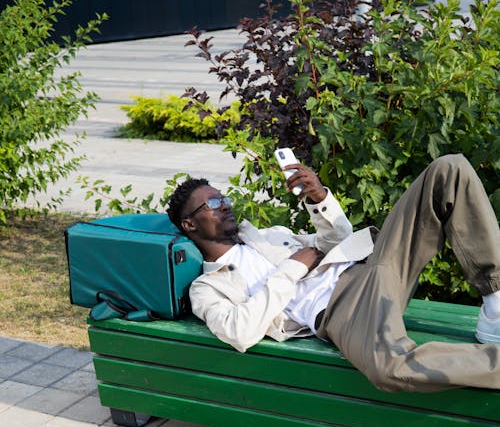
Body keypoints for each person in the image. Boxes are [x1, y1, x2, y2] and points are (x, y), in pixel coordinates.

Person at [167, 154, 500, 393]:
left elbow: (336, 242)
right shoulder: (207, 287)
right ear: (189, 224)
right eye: (211, 204)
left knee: (448, 169)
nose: (224, 205)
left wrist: (318, 197)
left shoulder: (268, 234)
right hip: (343, 313)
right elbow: (239, 332)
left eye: (223, 198)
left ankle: (495, 298)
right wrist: (293, 267)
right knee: (391, 370)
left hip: (370, 271)